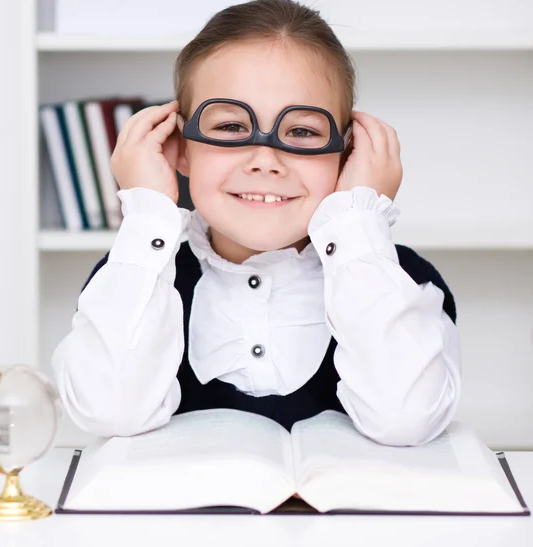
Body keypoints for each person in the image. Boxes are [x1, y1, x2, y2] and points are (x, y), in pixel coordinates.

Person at [51, 0, 462, 447]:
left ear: (348, 154)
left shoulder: (401, 283)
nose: (265, 161)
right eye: (229, 126)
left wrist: (357, 221)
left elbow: (406, 421)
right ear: (179, 146)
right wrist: (148, 212)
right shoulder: (135, 277)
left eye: (302, 132)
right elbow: (111, 413)